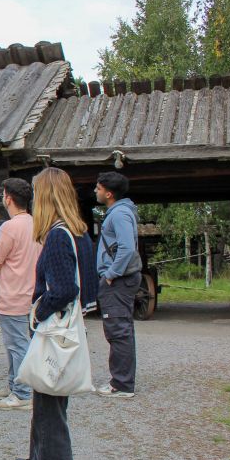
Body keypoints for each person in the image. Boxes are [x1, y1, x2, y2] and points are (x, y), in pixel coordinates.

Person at [13, 167, 97, 460]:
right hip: (66, 332)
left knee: (51, 420)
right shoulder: (79, 233)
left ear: (45, 196)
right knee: (45, 406)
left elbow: (64, 290)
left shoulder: (59, 237)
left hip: (54, 333)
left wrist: (37, 311)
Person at [0, 179, 40, 411]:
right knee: (15, 343)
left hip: (11, 292)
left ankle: (22, 392)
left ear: (8, 198)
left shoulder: (9, 227)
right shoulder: (35, 224)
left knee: (17, 345)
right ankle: (14, 384)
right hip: (29, 290)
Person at [94, 171, 142, 399]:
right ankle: (123, 381)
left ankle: (121, 384)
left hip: (119, 280)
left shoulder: (119, 214)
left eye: (98, 188)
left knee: (118, 330)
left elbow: (127, 248)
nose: (95, 191)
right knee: (121, 329)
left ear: (109, 193)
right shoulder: (121, 211)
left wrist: (111, 274)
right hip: (121, 278)